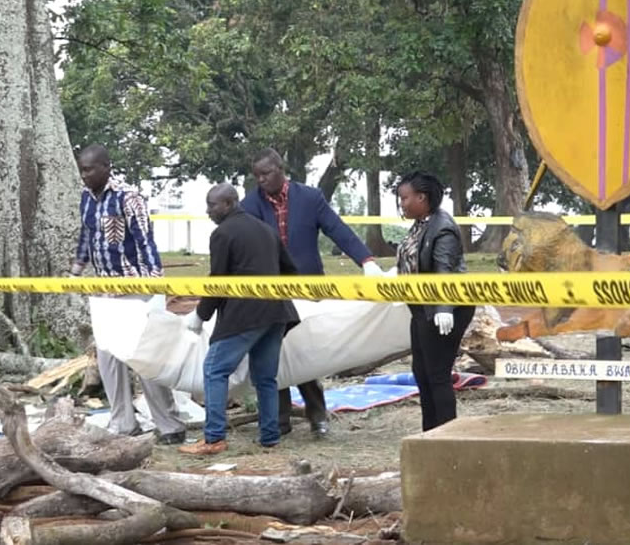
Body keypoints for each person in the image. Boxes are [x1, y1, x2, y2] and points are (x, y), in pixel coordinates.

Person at [241, 147, 384, 438]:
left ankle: (317, 412)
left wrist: (366, 261)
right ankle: (279, 419)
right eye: (257, 176)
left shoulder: (310, 198)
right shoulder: (249, 205)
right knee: (274, 354)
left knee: (305, 351)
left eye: (266, 174)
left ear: (281, 170)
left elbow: (338, 229)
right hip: (270, 292)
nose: (261, 180)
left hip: (307, 289)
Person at [71, 144, 187, 444]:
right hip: (104, 292)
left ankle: (170, 426)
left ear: (106, 167)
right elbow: (86, 235)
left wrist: (153, 286)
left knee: (146, 358)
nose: (84, 176)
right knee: (109, 357)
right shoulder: (86, 198)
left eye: (89, 170)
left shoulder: (128, 197)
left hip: (137, 291)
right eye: (81, 170)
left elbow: (145, 240)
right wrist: (76, 270)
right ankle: (123, 423)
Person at [179, 183, 300, 455]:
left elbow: (219, 280)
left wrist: (200, 315)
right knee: (266, 378)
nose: (208, 210)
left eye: (213, 204)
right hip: (277, 312)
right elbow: (291, 270)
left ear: (230, 203)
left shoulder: (223, 233)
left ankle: (213, 439)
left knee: (214, 369)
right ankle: (270, 437)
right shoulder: (266, 229)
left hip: (246, 315)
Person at [394, 170, 474, 432]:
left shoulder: (443, 228)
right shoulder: (422, 224)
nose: (401, 203)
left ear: (422, 197)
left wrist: (444, 309)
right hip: (422, 309)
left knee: (437, 375)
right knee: (422, 373)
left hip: (445, 309)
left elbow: (444, 271)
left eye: (405, 198)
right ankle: (430, 433)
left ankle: (447, 436)